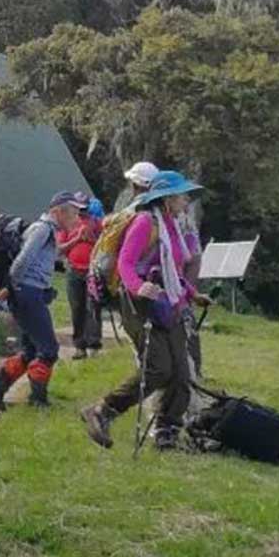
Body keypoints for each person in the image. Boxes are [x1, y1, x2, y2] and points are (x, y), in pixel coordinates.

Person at [79, 171, 209, 450]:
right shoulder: (144, 222)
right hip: (140, 304)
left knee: (182, 374)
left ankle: (167, 431)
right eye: (182, 194)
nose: (187, 199)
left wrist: (192, 293)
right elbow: (126, 263)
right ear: (167, 198)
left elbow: (171, 269)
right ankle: (103, 410)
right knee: (158, 369)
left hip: (170, 301)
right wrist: (139, 288)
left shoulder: (171, 224)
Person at [0, 192, 79, 410]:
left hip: (28, 292)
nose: (76, 217)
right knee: (49, 349)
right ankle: (38, 401)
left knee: (31, 350)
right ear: (57, 211)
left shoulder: (47, 231)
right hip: (27, 293)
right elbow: (23, 260)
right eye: (73, 212)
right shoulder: (42, 229)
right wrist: (10, 287)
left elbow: (49, 256)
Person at [59, 194, 104, 359]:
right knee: (76, 308)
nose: (82, 210)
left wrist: (92, 239)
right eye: (79, 207)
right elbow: (60, 248)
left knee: (92, 306)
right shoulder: (68, 225)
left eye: (85, 207)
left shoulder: (96, 223)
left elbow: (105, 244)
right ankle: (80, 346)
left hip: (92, 270)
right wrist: (77, 239)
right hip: (73, 271)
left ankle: (94, 345)